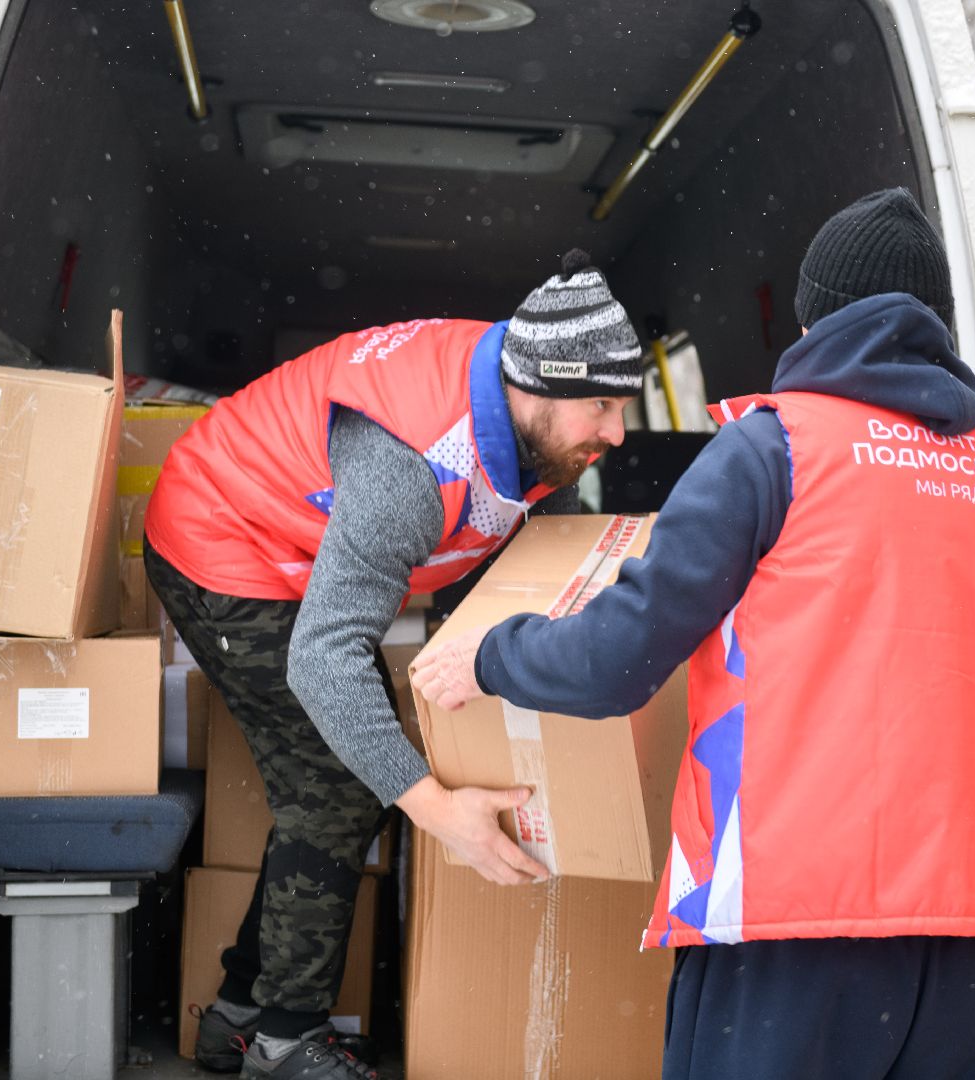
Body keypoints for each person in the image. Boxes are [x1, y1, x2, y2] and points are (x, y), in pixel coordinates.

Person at [411, 189, 975, 1080]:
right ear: (938, 327)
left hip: (799, 919)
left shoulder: (776, 449)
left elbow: (614, 662)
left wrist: (489, 656)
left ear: (812, 316)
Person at [143, 249, 642, 1080]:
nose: (617, 433)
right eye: (600, 406)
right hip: (223, 539)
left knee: (346, 780)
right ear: (535, 386)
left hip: (302, 552)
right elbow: (322, 660)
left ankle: (237, 1014)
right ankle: (284, 1038)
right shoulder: (412, 467)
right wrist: (435, 808)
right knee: (344, 784)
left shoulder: (533, 416)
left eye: (622, 406)